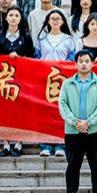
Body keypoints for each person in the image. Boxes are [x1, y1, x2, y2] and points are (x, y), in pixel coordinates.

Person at [58, 49, 97, 193]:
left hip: (94, 131)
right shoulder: (68, 83)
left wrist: (89, 122)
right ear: (76, 64)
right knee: (73, 165)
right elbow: (62, 105)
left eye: (87, 61)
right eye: (81, 61)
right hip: (73, 131)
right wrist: (75, 122)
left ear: (92, 63)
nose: (84, 64)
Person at [0, 5, 34, 158]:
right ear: (6, 18)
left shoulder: (26, 37)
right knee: (4, 112)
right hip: (3, 80)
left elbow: (32, 58)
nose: (14, 18)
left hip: (21, 80)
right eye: (11, 15)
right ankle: (6, 143)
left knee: (20, 112)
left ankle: (18, 143)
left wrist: (20, 59)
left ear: (21, 19)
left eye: (17, 15)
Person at [35, 9, 75, 158]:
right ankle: (45, 145)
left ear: (63, 21)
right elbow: (37, 58)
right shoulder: (41, 39)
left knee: (61, 113)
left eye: (58, 18)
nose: (55, 21)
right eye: (52, 18)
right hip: (45, 81)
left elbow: (72, 59)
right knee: (45, 113)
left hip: (62, 80)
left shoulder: (68, 39)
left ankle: (60, 144)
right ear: (48, 21)